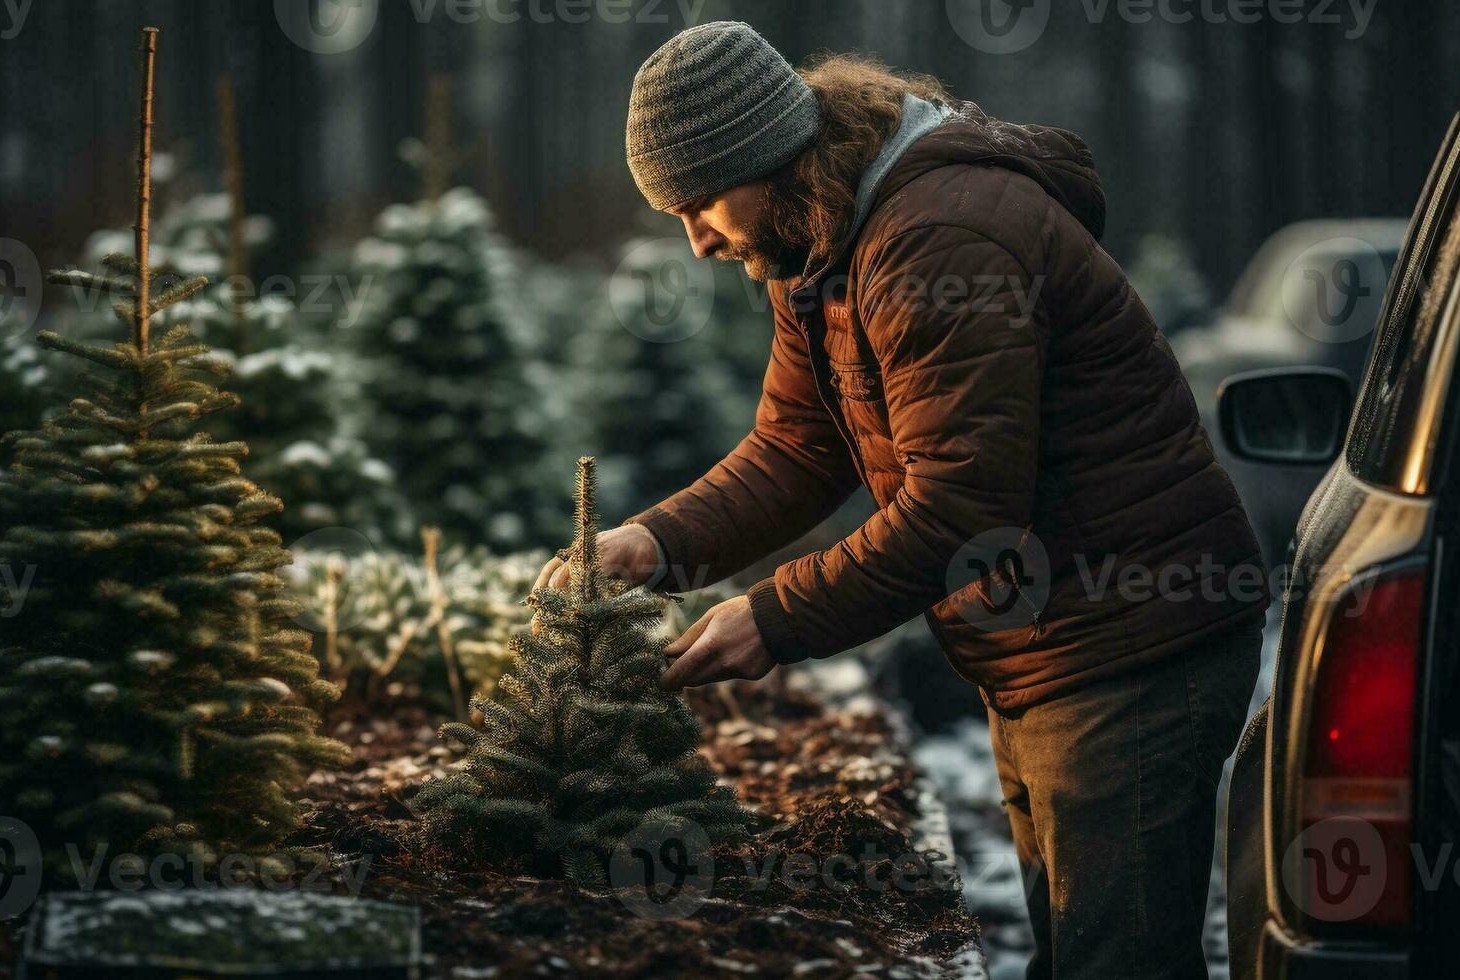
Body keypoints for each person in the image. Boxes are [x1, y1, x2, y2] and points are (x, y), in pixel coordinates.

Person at [534, 21, 1269, 978]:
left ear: (768, 156)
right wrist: (652, 544)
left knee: (1115, 962)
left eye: (703, 203)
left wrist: (772, 617)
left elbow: (964, 506)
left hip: (1132, 643)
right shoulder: (818, 238)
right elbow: (798, 448)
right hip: (1048, 642)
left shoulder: (936, 240)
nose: (696, 239)